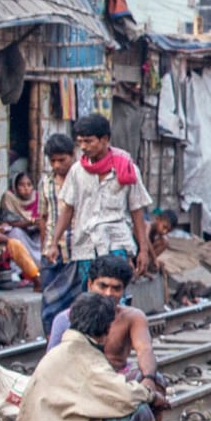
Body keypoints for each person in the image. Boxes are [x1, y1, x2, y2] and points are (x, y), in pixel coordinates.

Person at [17, 292, 166, 421]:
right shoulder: (84, 357)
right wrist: (152, 396)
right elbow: (122, 397)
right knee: (139, 414)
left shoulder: (64, 350)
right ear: (105, 331)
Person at [46, 114, 152, 331]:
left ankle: (116, 345)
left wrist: (143, 249)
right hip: (85, 246)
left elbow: (136, 211)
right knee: (90, 302)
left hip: (117, 244)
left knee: (115, 300)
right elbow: (68, 209)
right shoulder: (77, 171)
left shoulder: (126, 168)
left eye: (89, 141)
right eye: (80, 142)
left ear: (105, 140)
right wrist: (54, 241)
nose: (83, 147)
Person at [44, 253, 156, 378]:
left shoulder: (133, 317)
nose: (108, 293)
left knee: (157, 382)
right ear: (90, 285)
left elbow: (144, 350)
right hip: (79, 381)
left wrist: (149, 379)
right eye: (102, 286)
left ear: (123, 290)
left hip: (116, 380)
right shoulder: (64, 318)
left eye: (116, 288)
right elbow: (51, 360)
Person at [0, 172, 45, 262]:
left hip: (34, 234)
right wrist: (31, 222)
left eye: (29, 185)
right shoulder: (9, 197)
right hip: (20, 235)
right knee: (15, 232)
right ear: (15, 186)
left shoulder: (37, 197)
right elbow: (10, 222)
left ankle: (41, 262)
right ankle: (21, 267)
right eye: (21, 185)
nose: (26, 188)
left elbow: (44, 217)